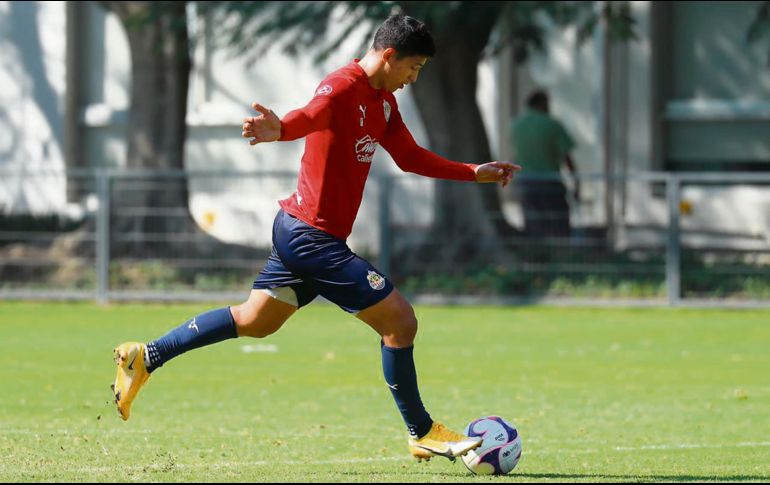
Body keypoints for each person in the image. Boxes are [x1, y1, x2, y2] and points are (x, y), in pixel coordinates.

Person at [112, 14, 520, 463]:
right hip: (311, 238)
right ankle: (421, 430)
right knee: (400, 322)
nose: (412, 78)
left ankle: (145, 356)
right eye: (413, 68)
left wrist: (471, 172)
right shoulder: (343, 86)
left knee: (255, 321)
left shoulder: (383, 103)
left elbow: (408, 157)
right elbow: (311, 114)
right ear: (389, 56)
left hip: (306, 235)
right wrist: (280, 130)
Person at [511, 90, 578, 239]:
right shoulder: (552, 124)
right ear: (542, 103)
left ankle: (536, 253)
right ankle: (559, 251)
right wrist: (576, 182)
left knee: (533, 221)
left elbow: (515, 155)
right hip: (549, 181)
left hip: (525, 181)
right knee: (558, 220)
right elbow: (566, 157)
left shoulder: (516, 126)